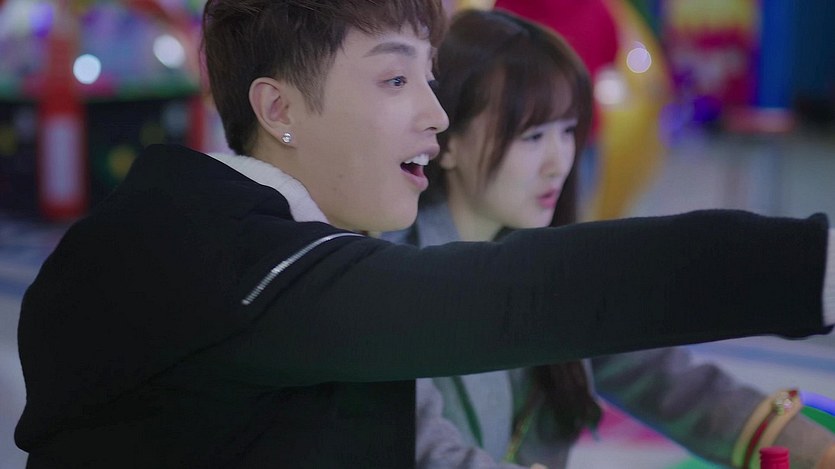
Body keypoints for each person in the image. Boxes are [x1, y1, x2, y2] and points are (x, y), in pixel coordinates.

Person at [13, 1, 835, 467]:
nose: (435, 115)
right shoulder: (245, 266)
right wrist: (811, 264)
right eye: (395, 77)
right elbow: (529, 296)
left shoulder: (203, 229)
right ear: (278, 108)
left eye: (431, 78)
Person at [381, 9, 835, 469]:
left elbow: (669, 380)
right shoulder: (397, 278)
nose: (559, 162)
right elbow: (427, 449)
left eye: (568, 131)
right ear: (449, 141)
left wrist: (817, 451)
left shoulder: (555, 263)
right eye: (532, 137)